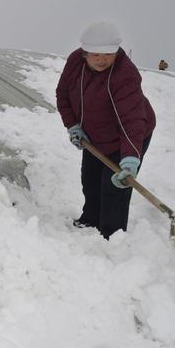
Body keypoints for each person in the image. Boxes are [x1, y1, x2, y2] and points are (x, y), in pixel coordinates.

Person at [56, 22, 156, 239]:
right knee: (90, 179)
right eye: (96, 54)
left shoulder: (125, 75)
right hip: (94, 136)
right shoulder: (75, 62)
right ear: (85, 53)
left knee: (115, 186)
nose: (102, 60)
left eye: (108, 55)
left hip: (127, 137)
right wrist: (73, 125)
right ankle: (90, 219)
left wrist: (130, 159)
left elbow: (132, 120)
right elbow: (62, 95)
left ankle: (112, 235)